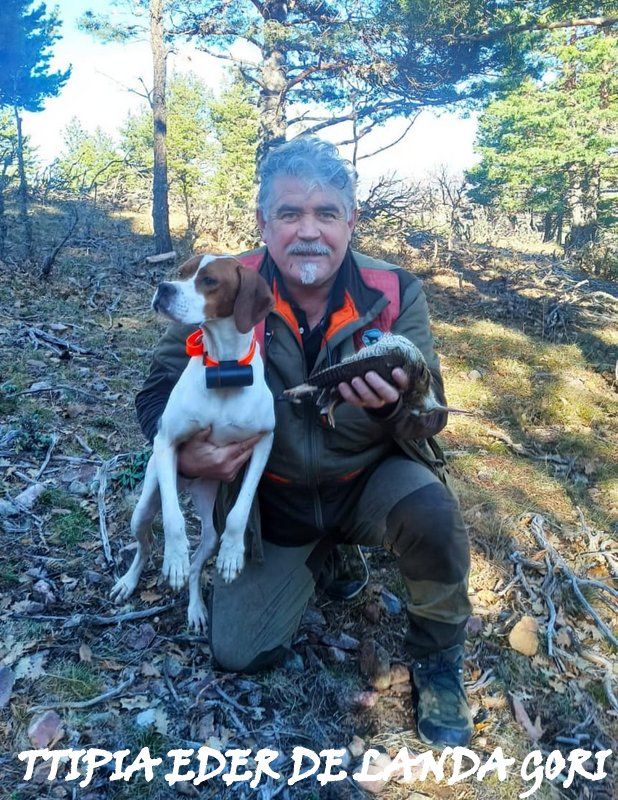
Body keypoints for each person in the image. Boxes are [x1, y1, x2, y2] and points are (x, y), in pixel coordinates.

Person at [135, 136, 473, 749]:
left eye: (326, 214)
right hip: (273, 498)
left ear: (352, 221)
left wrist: (396, 403)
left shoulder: (394, 293)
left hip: (366, 478)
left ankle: (439, 655)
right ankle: (323, 554)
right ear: (264, 222)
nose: (308, 231)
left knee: (432, 513)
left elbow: (430, 416)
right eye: (289, 214)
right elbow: (156, 390)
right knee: (238, 652)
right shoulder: (226, 283)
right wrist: (184, 454)